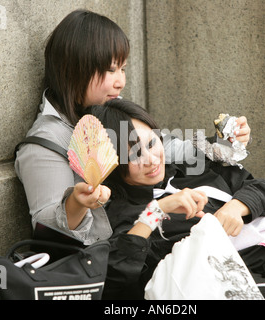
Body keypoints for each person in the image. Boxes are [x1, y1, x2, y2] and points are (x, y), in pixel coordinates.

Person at [83, 98, 265, 300]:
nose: (150, 159)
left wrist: (239, 206)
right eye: (135, 154)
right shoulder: (125, 213)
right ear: (114, 164)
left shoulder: (192, 167)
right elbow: (120, 279)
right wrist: (156, 211)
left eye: (151, 143)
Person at [14, 9, 251, 245]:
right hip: (113, 263)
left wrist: (223, 143)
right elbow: (49, 230)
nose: (121, 82)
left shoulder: (110, 108)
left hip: (147, 244)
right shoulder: (45, 143)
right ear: (73, 70)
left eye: (123, 68)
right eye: (110, 70)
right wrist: (77, 203)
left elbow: (167, 147)